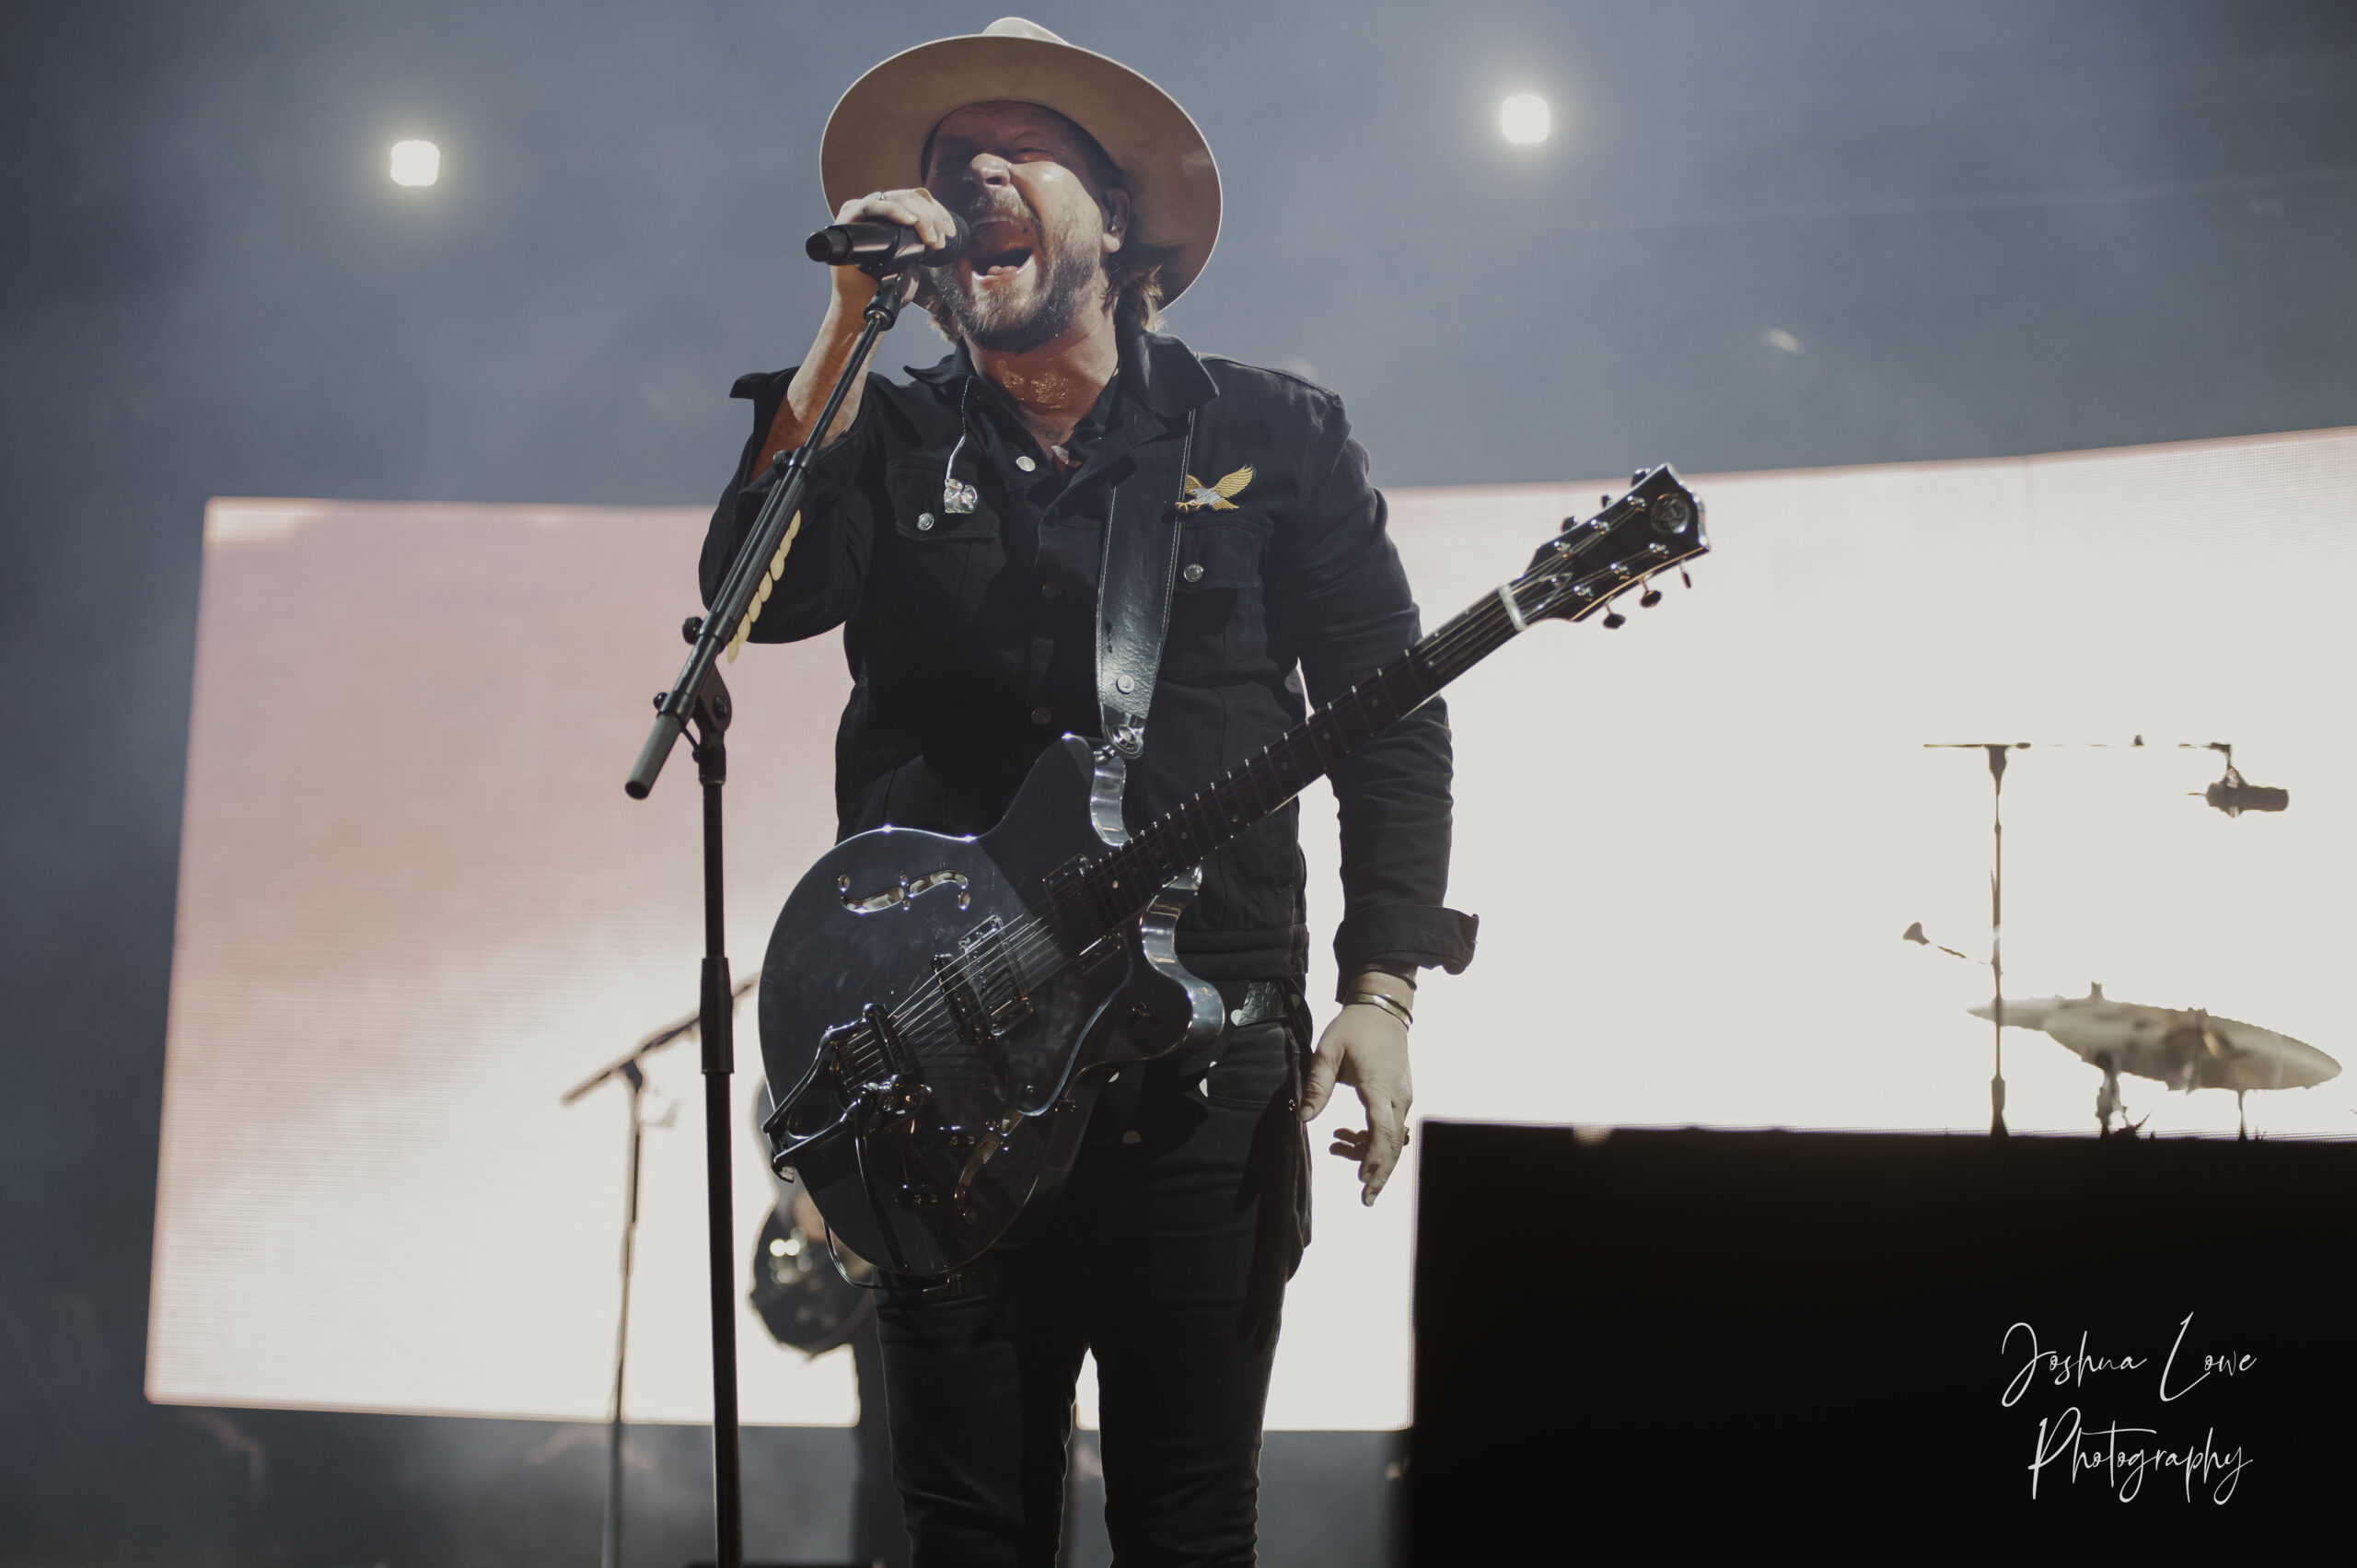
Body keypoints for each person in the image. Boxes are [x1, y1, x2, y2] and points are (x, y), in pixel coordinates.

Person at [702, 19, 1474, 1565]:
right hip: (945, 1069)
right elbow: (753, 601)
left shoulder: (1270, 435)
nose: (973, 176)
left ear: (1117, 221)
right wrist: (849, 317)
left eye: (1020, 149)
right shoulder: (885, 431)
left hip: (1200, 1059)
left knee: (1190, 1527)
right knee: (967, 1531)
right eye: (948, 162)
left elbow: (1390, 723)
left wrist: (1381, 987)